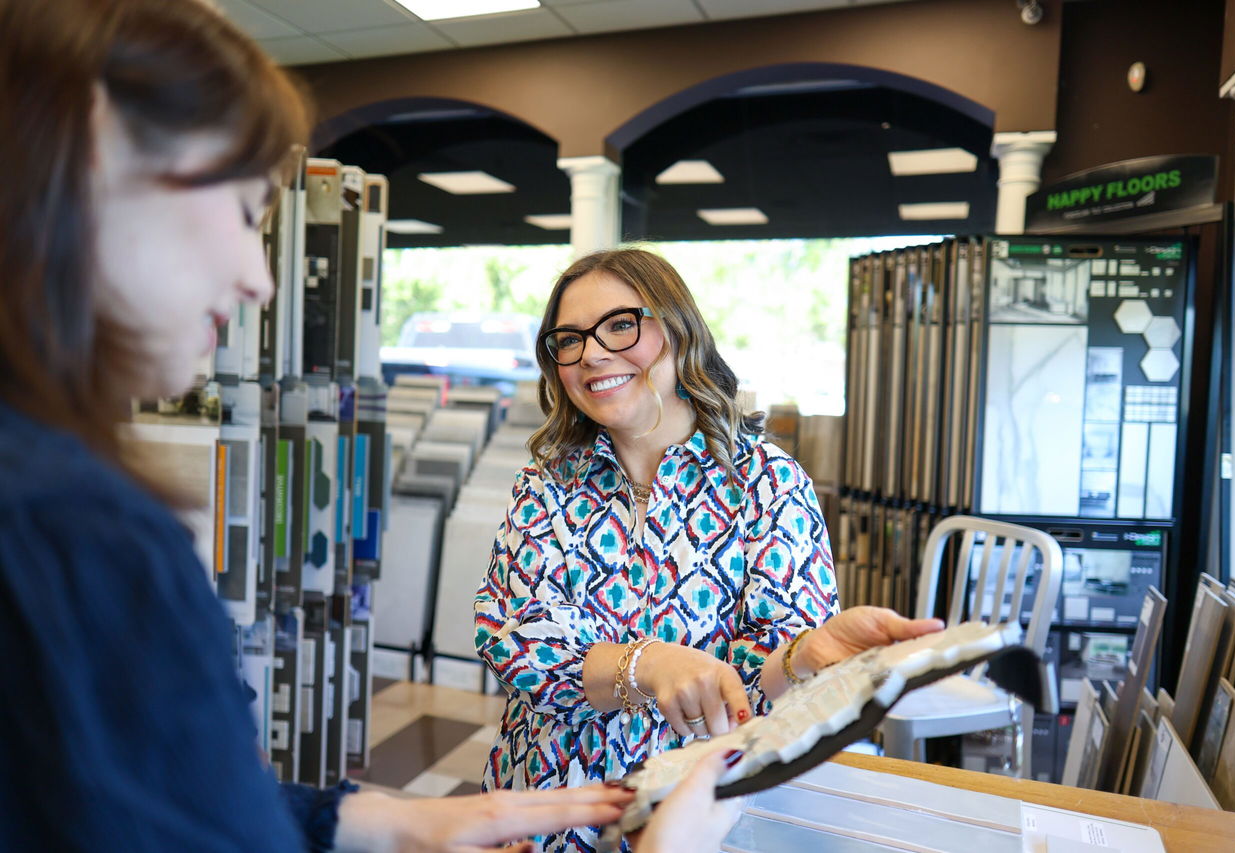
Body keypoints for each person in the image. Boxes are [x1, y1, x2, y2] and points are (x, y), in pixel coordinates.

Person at [0, 1, 644, 850]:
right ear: (91, 159)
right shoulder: (77, 530)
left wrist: (380, 821)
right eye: (237, 211)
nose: (256, 279)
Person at [475, 248, 943, 850]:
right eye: (568, 339)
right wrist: (645, 665)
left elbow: (763, 680)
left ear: (678, 329)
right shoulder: (545, 485)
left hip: (696, 820)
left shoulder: (767, 484)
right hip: (541, 808)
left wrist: (804, 654)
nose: (591, 353)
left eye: (621, 324)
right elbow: (513, 641)